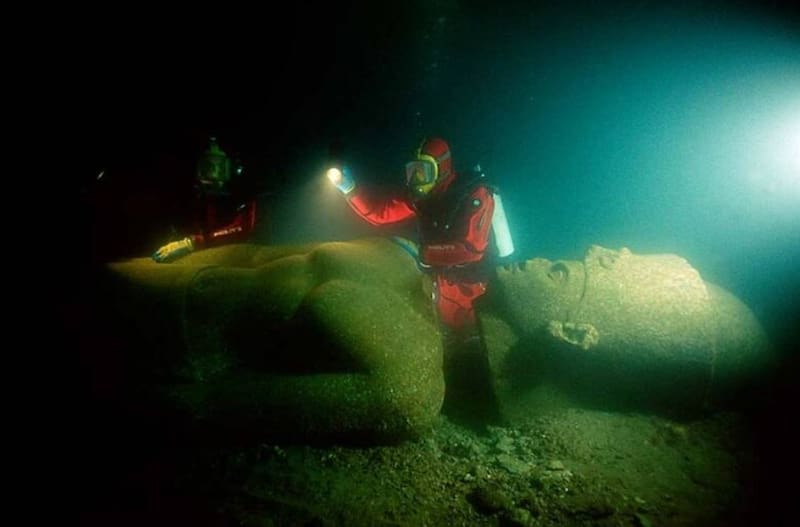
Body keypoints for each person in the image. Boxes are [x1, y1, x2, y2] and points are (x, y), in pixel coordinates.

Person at [329, 137, 514, 424]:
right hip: (440, 286)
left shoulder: (476, 195)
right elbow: (380, 212)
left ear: (441, 169)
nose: (416, 178)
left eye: (423, 171)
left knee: (470, 350)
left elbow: (471, 248)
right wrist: (348, 187)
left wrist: (421, 254)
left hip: (475, 291)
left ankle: (478, 402)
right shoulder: (422, 198)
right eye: (412, 170)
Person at [152, 137, 258, 262]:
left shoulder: (243, 195)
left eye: (221, 166)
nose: (214, 174)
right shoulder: (188, 194)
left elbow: (242, 229)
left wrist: (192, 243)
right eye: (208, 166)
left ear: (232, 167)